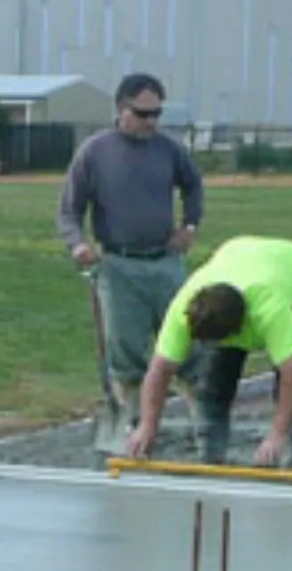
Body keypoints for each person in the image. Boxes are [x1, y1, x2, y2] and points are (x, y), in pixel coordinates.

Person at [57, 72, 205, 429]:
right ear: (122, 109)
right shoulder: (94, 152)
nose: (151, 121)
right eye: (143, 113)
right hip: (118, 266)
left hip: (166, 263)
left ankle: (204, 423)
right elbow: (69, 210)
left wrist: (189, 226)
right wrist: (78, 244)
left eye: (157, 114)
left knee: (188, 344)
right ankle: (134, 426)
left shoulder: (169, 150)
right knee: (125, 352)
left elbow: (194, 186)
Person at [126, 236, 292, 469]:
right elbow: (160, 370)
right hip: (236, 253)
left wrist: (277, 435)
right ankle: (210, 451)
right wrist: (148, 425)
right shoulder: (184, 310)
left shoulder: (269, 309)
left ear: (240, 329)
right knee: (214, 379)